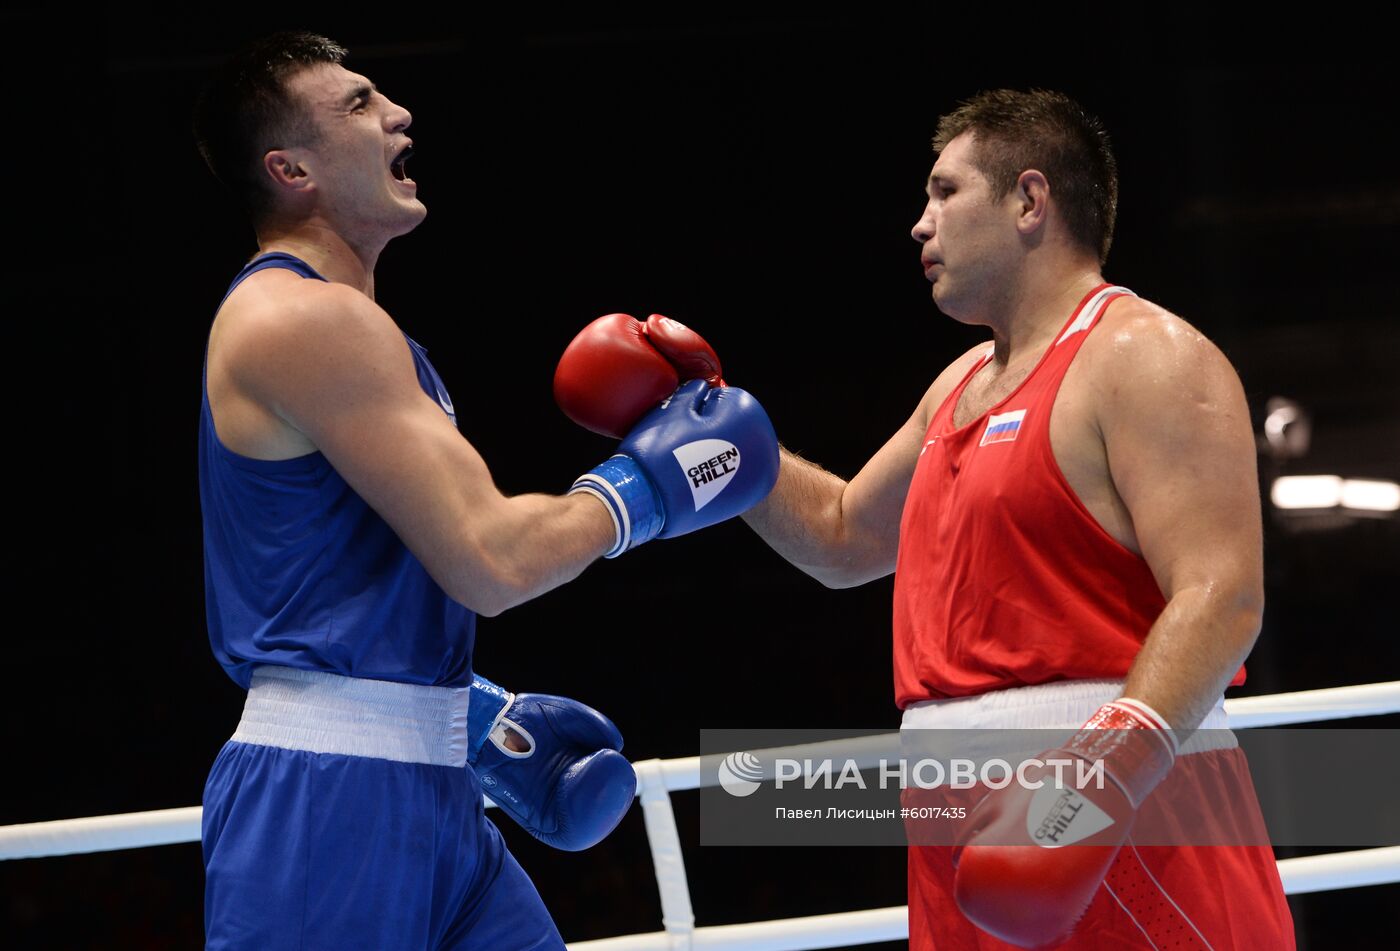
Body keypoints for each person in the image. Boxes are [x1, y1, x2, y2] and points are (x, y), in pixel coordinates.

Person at [647, 89, 1290, 948]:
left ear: (1030, 201)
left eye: (944, 192)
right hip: (952, 823)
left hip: (1116, 809)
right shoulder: (955, 389)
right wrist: (716, 431)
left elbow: (1224, 595)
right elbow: (842, 537)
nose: (920, 224)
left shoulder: (1145, 356)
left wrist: (1102, 774)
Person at [191, 32, 778, 950]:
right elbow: (492, 558)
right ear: (290, 168)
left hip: (430, 790)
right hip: (324, 801)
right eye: (356, 103)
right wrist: (644, 487)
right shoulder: (296, 317)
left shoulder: (367, 334)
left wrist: (467, 713)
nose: (397, 114)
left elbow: (341, 569)